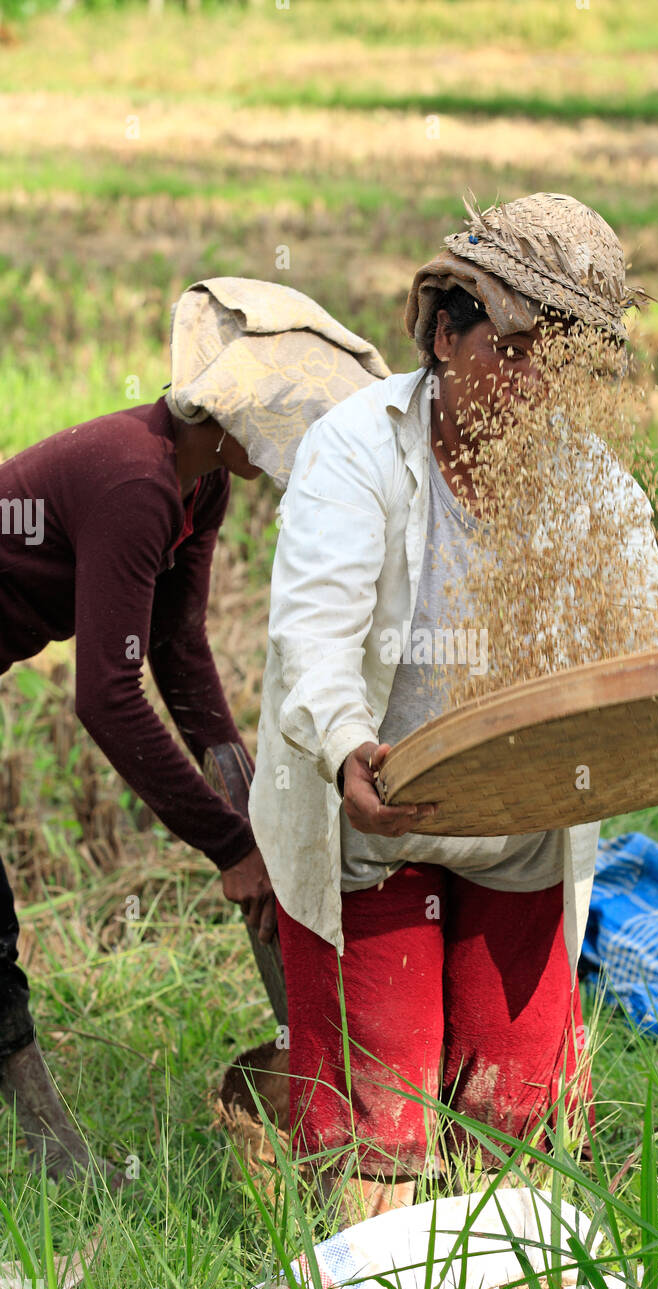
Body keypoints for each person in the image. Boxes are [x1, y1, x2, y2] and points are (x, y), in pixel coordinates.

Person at [248, 193, 658, 1224]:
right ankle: (319, 1170)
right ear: (445, 333)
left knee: (517, 1129)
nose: (539, 386)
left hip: (521, 827)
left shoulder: (591, 486)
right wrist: (351, 748)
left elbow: (651, 652)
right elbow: (310, 634)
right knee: (378, 1146)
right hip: (378, 823)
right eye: (518, 349)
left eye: (564, 362)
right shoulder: (355, 451)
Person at [0, 276, 388, 1184]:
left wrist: (256, 816)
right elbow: (104, 694)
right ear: (232, 412)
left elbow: (176, 650)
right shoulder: (136, 484)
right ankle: (55, 1159)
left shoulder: (196, 484)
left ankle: (320, 1110)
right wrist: (228, 844)